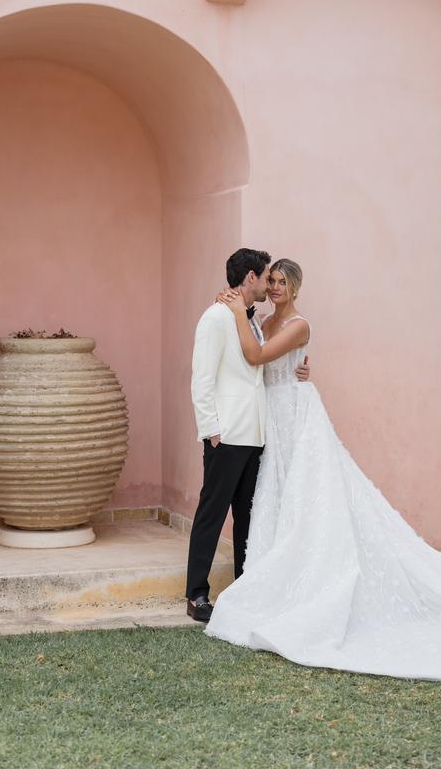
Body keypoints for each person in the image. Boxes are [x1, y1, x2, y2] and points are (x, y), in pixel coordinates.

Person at [205, 258, 441, 683]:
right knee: (273, 496)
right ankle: (270, 580)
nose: (274, 287)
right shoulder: (261, 320)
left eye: (281, 282)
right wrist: (242, 314)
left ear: (295, 287)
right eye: (270, 280)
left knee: (306, 497)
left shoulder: (298, 325)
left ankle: (305, 581)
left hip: (295, 415)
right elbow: (250, 359)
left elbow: (256, 355)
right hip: (268, 416)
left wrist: (237, 311)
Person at [186, 249, 309, 623]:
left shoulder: (252, 319)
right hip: (227, 434)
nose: (270, 285)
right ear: (252, 277)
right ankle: (196, 594)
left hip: (256, 434)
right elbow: (202, 378)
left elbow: (265, 362)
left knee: (247, 517)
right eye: (267, 278)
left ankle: (244, 586)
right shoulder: (216, 317)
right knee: (212, 512)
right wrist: (210, 429)